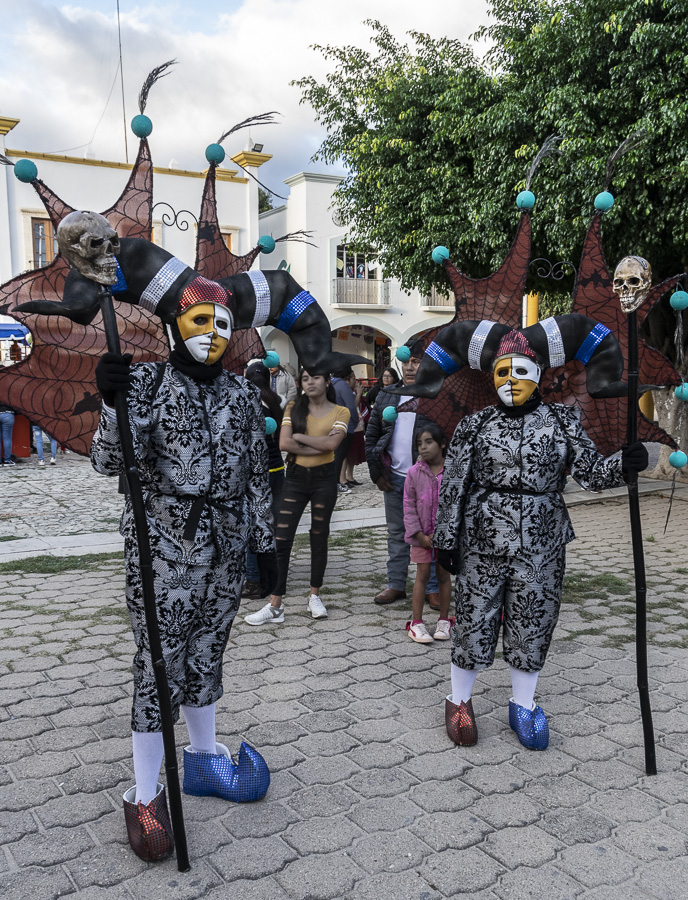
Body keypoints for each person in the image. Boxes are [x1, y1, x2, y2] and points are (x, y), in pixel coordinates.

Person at [91, 279, 278, 861]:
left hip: (225, 548)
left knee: (205, 655)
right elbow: (107, 459)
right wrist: (111, 403)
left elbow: (254, 477)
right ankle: (145, 795)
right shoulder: (145, 382)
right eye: (201, 321)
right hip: (166, 548)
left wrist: (264, 546)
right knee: (160, 666)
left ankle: (201, 760)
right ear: (175, 325)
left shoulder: (243, 397)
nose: (214, 335)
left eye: (223, 325)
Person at [434, 329, 649, 750]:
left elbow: (589, 472)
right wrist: (447, 537)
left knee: (532, 618)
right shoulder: (474, 425)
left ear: (537, 374)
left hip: (542, 537)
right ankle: (458, 699)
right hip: (483, 536)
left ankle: (524, 703)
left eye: (519, 371)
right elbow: (454, 483)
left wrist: (625, 462)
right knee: (475, 618)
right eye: (501, 372)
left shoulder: (561, 420)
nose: (509, 380)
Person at [245, 368, 350, 625]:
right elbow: (284, 444)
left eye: (315, 377)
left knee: (319, 535)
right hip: (294, 477)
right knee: (281, 538)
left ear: (327, 380)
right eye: (305, 378)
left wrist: (301, 437)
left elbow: (331, 446)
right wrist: (318, 440)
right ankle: (275, 605)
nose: (310, 382)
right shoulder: (293, 406)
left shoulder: (341, 412)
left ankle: (315, 595)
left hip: (324, 478)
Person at [365, 341, 439, 606]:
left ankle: (432, 588)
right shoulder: (388, 395)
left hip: (427, 481)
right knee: (396, 532)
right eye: (406, 361)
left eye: (416, 361)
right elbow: (372, 434)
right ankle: (396, 584)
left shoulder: (434, 395)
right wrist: (377, 473)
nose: (409, 366)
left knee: (429, 532)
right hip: (394, 477)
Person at [403, 423, 453, 643]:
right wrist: (419, 534)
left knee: (444, 575)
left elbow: (456, 504)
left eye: (429, 442)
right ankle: (417, 623)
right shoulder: (414, 473)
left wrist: (447, 532)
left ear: (442, 443)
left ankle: (444, 620)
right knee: (422, 576)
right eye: (419, 443)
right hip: (421, 537)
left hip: (446, 537)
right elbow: (409, 504)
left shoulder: (453, 471)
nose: (423, 447)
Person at [242, 361, 286, 600]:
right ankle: (273, 574)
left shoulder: (250, 404)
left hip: (258, 473)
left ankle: (254, 580)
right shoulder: (276, 402)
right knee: (272, 525)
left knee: (254, 526)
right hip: (278, 467)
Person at [331, 365, 359, 493]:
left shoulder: (331, 384)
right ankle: (335, 482)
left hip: (331, 424)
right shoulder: (343, 386)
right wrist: (356, 420)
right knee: (340, 456)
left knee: (334, 456)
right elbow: (351, 407)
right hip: (345, 426)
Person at [342, 380, 368, 487]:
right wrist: (358, 394)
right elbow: (352, 406)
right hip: (348, 424)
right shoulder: (344, 391)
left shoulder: (351, 391)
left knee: (353, 451)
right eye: (353, 378)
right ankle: (342, 478)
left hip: (357, 424)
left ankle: (350, 476)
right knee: (346, 452)